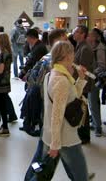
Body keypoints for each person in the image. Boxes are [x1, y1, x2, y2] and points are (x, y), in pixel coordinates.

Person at [24, 29, 69, 181]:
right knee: (46, 151)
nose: (67, 42)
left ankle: (79, 174)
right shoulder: (51, 62)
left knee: (62, 150)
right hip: (51, 112)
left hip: (55, 113)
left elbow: (31, 79)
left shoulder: (52, 60)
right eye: (64, 39)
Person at [41, 40, 90, 181]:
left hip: (54, 135)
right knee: (81, 176)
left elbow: (72, 97)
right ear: (68, 56)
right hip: (65, 137)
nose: (74, 56)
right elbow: (57, 115)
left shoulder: (51, 75)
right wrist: (55, 144)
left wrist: (80, 79)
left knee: (45, 173)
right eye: (73, 53)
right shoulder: (61, 80)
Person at [72, 25, 94, 144]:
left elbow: (83, 69)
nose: (74, 34)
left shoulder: (85, 48)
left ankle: (84, 136)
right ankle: (81, 133)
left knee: (83, 108)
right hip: (79, 81)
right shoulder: (79, 46)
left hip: (83, 83)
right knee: (80, 107)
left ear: (82, 34)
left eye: (76, 32)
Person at [87, 28, 106, 137]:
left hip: (94, 80)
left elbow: (101, 66)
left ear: (94, 37)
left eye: (89, 36)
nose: (87, 38)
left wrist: (89, 73)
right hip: (90, 79)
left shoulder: (100, 49)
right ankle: (95, 122)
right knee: (92, 102)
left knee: (94, 102)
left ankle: (97, 127)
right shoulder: (92, 47)